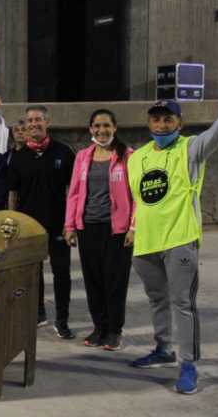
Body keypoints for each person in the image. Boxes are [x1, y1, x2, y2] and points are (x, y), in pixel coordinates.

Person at [125, 88, 218, 395]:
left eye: (168, 119)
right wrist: (133, 228)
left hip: (180, 238)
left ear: (179, 123)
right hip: (146, 242)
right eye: (156, 119)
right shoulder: (136, 158)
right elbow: (139, 199)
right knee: (157, 300)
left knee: (183, 303)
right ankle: (163, 349)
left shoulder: (190, 148)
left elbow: (214, 137)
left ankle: (188, 364)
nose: (161, 125)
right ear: (149, 123)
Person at [63, 109, 134, 350]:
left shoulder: (128, 156)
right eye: (97, 126)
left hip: (117, 230)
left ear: (115, 128)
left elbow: (137, 196)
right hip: (88, 228)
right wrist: (70, 225)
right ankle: (99, 328)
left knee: (115, 281)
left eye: (106, 125)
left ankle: (114, 331)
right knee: (93, 280)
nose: (101, 130)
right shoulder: (83, 157)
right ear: (90, 129)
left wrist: (133, 227)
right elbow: (73, 193)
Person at [7, 105, 76, 338]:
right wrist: (13, 223)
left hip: (58, 225)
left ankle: (62, 320)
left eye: (38, 119)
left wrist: (70, 224)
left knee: (61, 273)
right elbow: (13, 193)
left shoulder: (63, 152)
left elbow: (73, 190)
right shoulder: (18, 157)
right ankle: (37, 313)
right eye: (30, 120)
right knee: (32, 273)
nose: (34, 124)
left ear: (47, 122)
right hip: (28, 227)